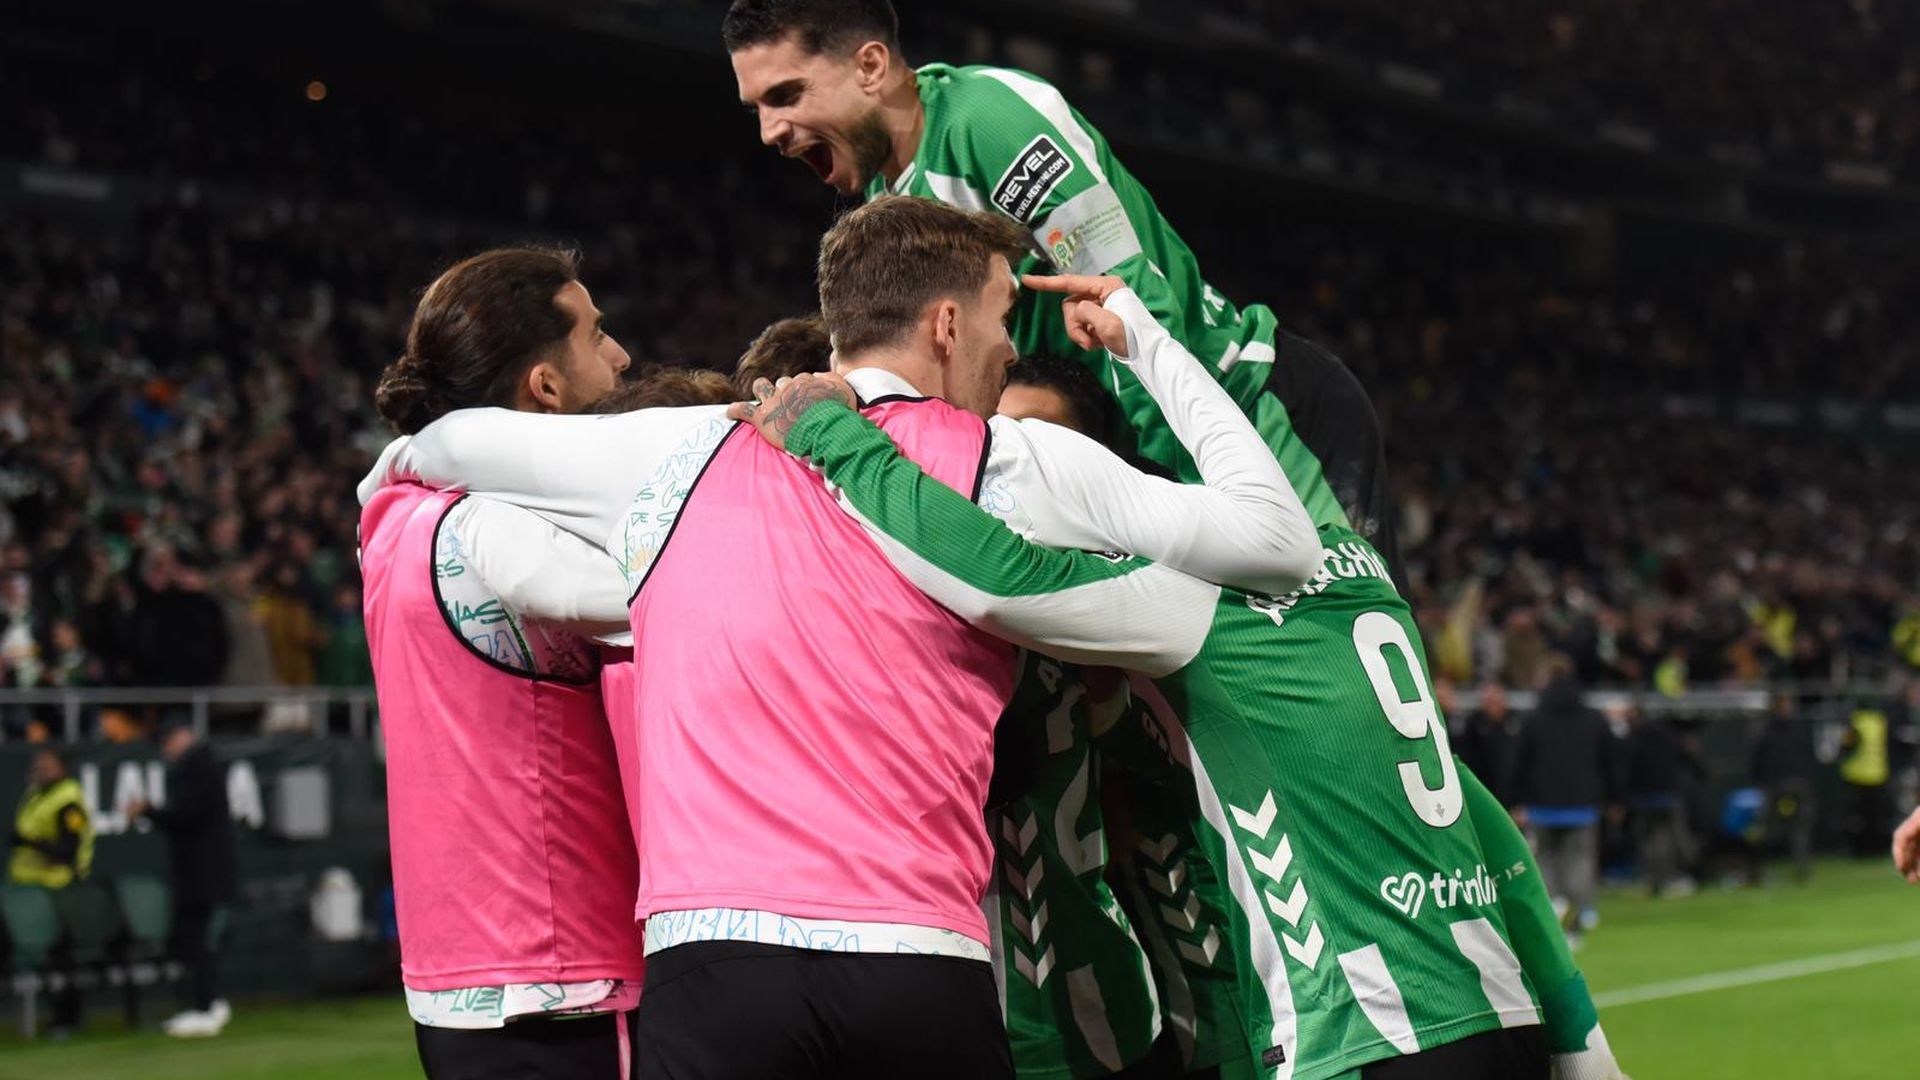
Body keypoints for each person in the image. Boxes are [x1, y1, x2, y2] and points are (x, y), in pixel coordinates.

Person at [366, 197, 1323, 1080]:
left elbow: (462, 442)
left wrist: (396, 471)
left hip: (712, 970)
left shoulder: (694, 445)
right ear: (947, 325)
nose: (1005, 349)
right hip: (911, 960)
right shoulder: (1012, 460)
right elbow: (1279, 544)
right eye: (998, 318)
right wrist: (1144, 338)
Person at [728, 286, 1624, 1078]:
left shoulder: (1175, 605)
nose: (1004, 477)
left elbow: (997, 573)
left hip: (1353, 1030)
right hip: (1480, 1007)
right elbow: (1475, 827)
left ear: (1105, 471)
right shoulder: (1348, 569)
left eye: (1031, 452)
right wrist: (1580, 1036)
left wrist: (838, 442)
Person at [725, 0, 1400, 578]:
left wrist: (1186, 488)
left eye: (786, 95)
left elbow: (1127, 302)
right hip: (1140, 466)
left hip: (1249, 417)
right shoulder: (885, 198)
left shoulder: (990, 123)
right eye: (756, 107)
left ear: (870, 67)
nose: (769, 132)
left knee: (1349, 658)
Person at [357, 247, 647, 1079]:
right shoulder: (500, 531)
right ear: (544, 387)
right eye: (596, 335)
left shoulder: (392, 522)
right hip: (561, 975)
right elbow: (688, 595)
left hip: (458, 975)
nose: (621, 356)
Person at [128, 724, 238, 1038]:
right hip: (201, 872)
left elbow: (186, 815)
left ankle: (204, 1007)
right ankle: (209, 1002)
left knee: (197, 939)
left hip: (202, 874)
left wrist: (149, 811)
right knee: (196, 939)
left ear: (183, 735)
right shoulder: (202, 764)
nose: (166, 750)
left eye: (168, 742)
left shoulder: (200, 766)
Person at [1511, 660, 1620, 947]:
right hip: (1582, 804)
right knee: (1581, 861)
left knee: (1545, 860)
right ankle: (1582, 912)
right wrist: (1614, 797)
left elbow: (1519, 763)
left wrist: (1515, 800)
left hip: (1542, 806)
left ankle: (1554, 913)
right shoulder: (1594, 718)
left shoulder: (1533, 719)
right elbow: (1610, 761)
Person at [9, 747, 93, 1033]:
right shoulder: (34, 795)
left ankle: (67, 1018)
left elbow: (68, 851)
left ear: (61, 768)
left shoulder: (68, 801)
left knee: (62, 957)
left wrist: (30, 843)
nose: (39, 769)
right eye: (37, 764)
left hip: (58, 888)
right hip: (28, 887)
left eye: (46, 765)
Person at [1454, 683, 1522, 807]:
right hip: (1481, 797)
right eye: (1489, 701)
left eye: (1496, 699)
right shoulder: (1472, 727)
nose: (1492, 705)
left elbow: (1523, 764)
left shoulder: (1516, 725)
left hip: (1512, 800)